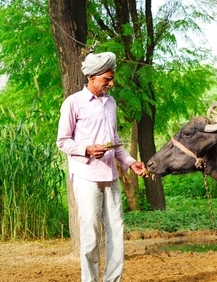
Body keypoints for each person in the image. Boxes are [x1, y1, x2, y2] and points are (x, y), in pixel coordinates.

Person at [56, 51, 147, 282]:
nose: (111, 83)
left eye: (112, 78)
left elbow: (115, 142)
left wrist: (130, 162)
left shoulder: (111, 103)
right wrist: (86, 149)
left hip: (111, 176)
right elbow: (63, 141)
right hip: (86, 176)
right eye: (107, 79)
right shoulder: (73, 103)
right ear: (92, 77)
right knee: (91, 235)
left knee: (116, 231)